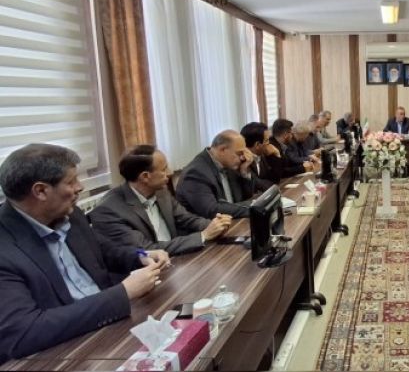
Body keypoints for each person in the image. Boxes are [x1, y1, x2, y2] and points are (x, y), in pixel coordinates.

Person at [0, 144, 169, 362]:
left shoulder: (70, 213)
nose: (80, 187)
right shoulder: (5, 248)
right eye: (71, 181)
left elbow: (103, 250)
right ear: (40, 191)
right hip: (63, 353)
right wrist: (123, 293)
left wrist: (140, 255)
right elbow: (23, 333)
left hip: (113, 329)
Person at [90, 146, 233, 256]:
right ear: (145, 177)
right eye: (164, 169)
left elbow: (187, 219)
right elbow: (147, 250)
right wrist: (203, 235)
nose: (169, 172)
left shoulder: (161, 192)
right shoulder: (109, 211)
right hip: (145, 274)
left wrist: (216, 225)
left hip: (176, 260)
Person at [176, 130, 257, 219]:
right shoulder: (196, 172)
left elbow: (246, 198)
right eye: (239, 153)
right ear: (222, 150)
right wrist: (253, 208)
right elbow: (213, 210)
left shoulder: (229, 164)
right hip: (209, 225)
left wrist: (244, 172)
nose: (243, 158)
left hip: (233, 220)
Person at [240, 122, 282, 191]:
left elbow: (275, 179)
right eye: (267, 140)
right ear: (257, 145)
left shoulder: (261, 155)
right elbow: (258, 184)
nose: (269, 143)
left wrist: (277, 154)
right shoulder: (243, 160)